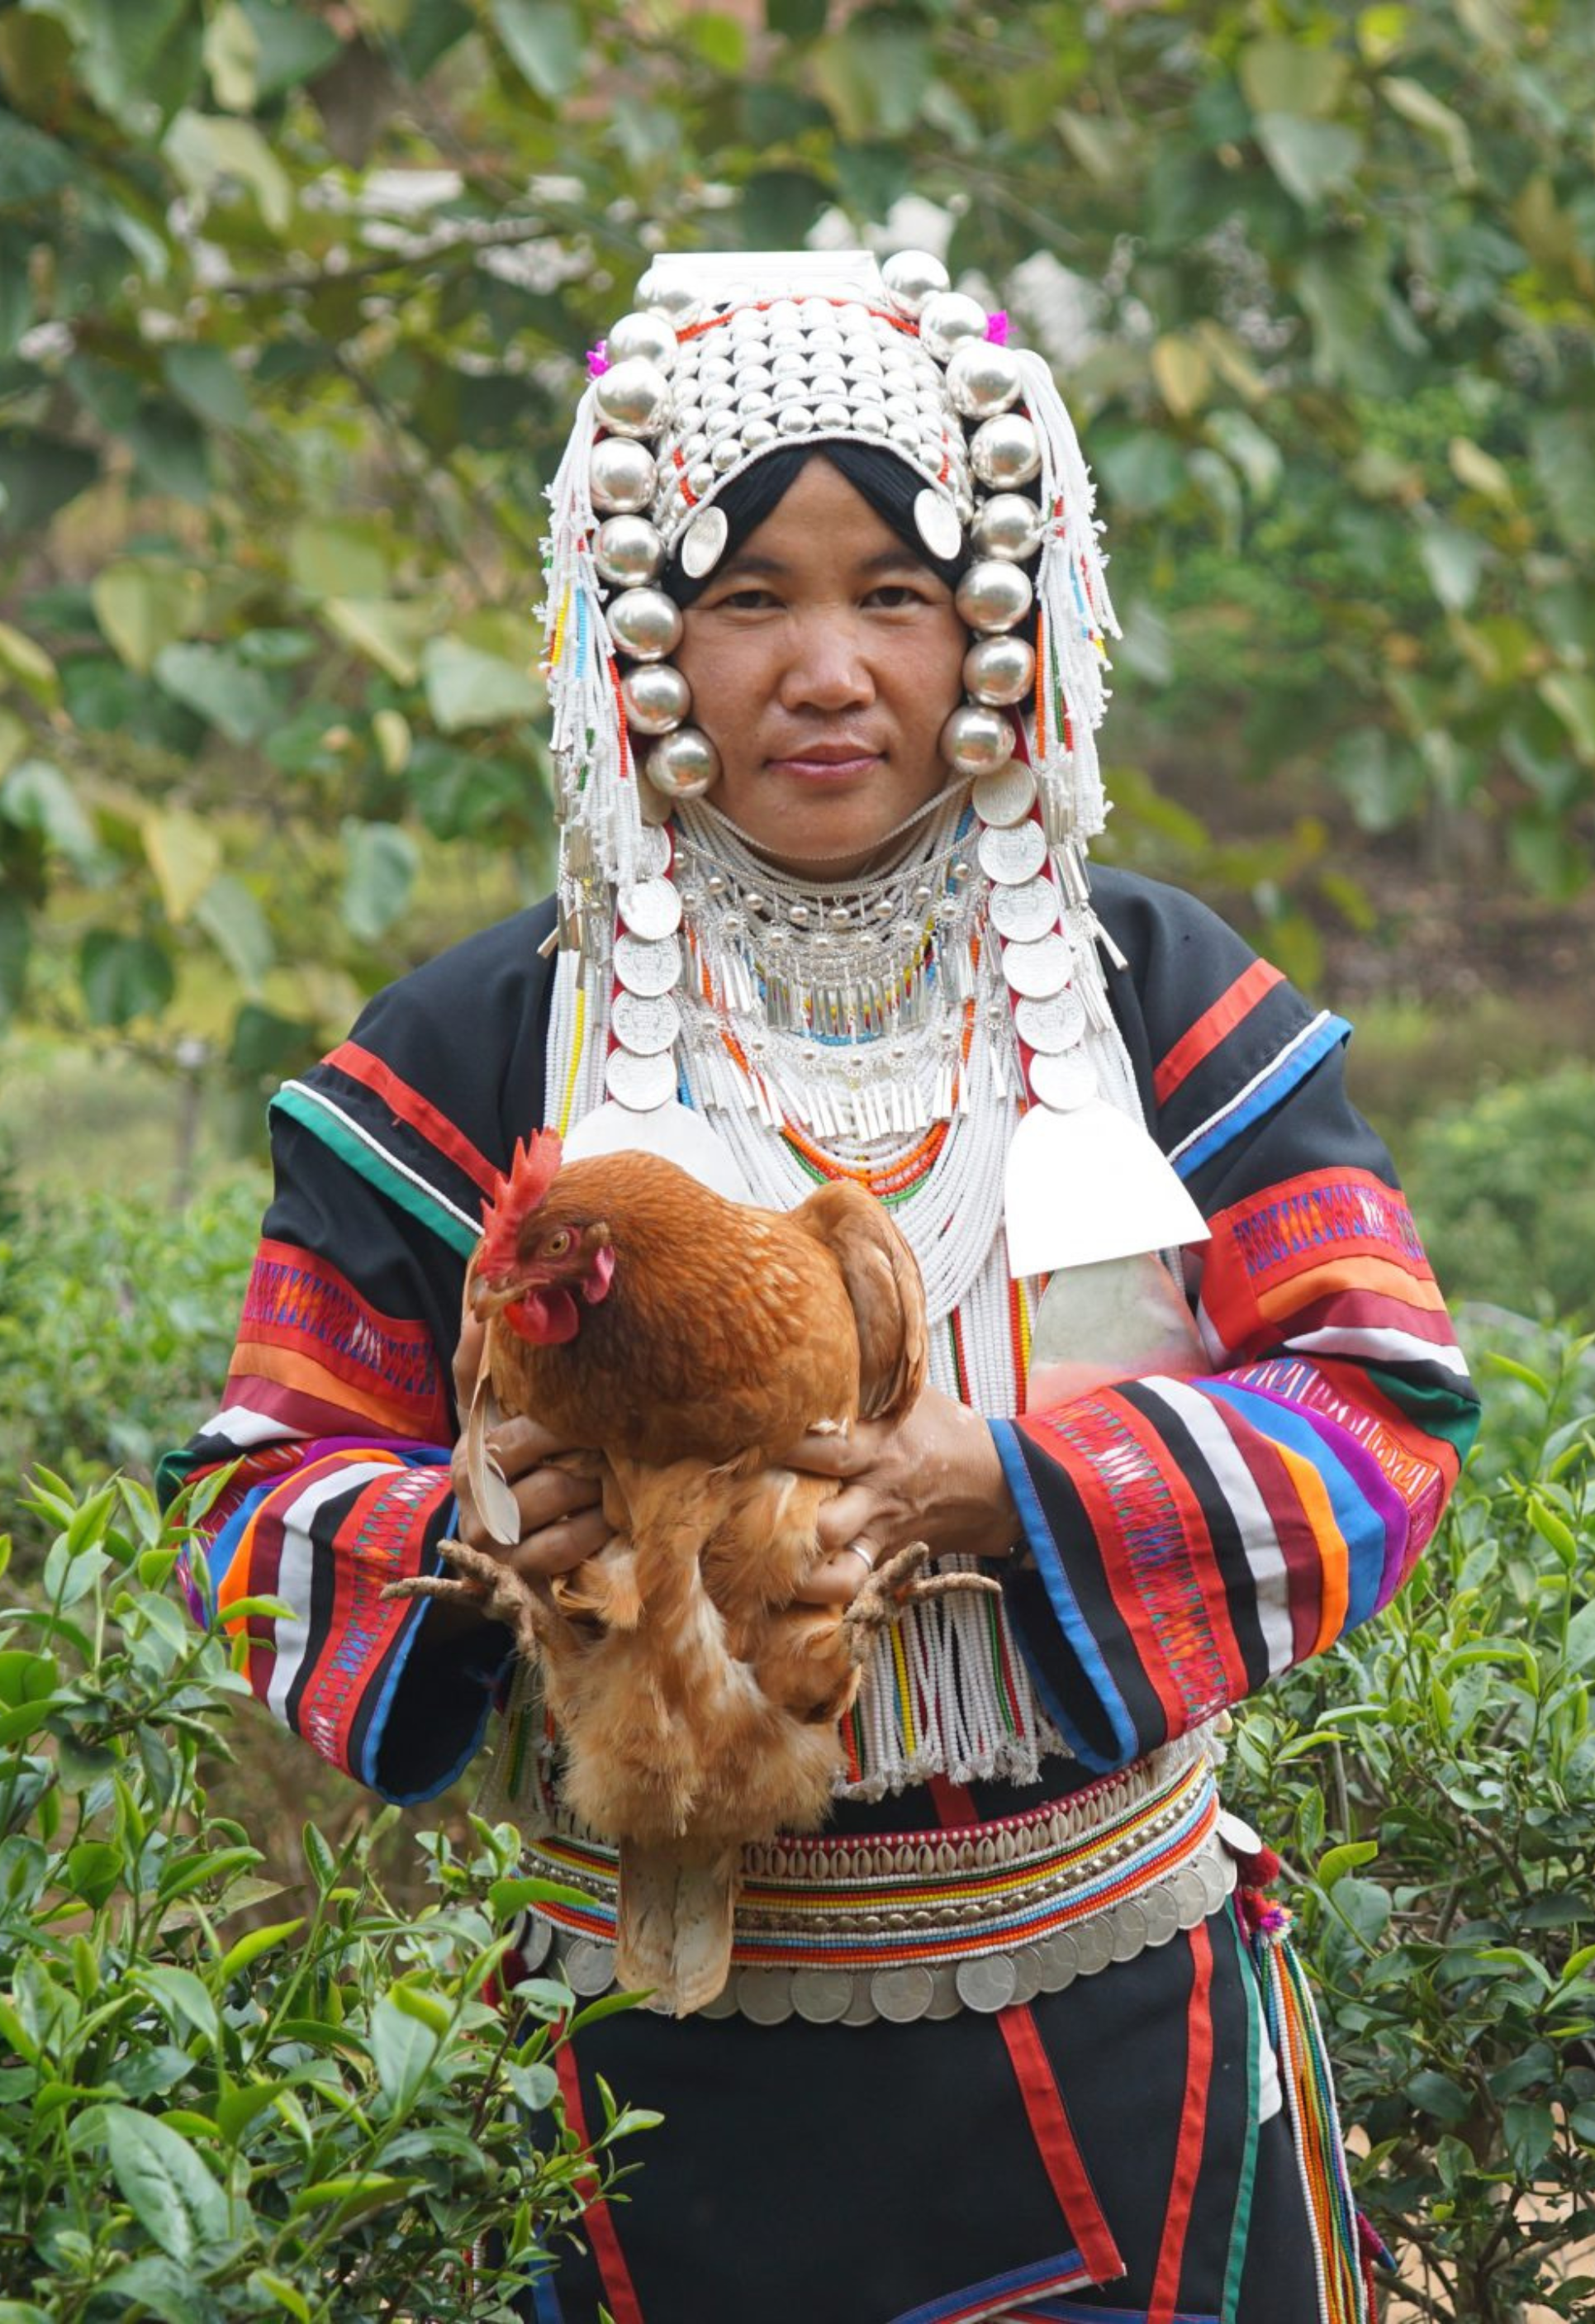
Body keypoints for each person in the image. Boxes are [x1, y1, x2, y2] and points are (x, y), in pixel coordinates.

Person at [159, 246, 1472, 2323]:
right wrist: (481, 1529)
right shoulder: (485, 1046)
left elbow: (1382, 1394)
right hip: (648, 2071)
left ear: (996, 624)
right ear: (639, 638)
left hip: (1121, 2029)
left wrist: (1014, 1488)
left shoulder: (1149, 994)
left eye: (893, 593)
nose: (829, 667)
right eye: (750, 595)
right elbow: (252, 1491)